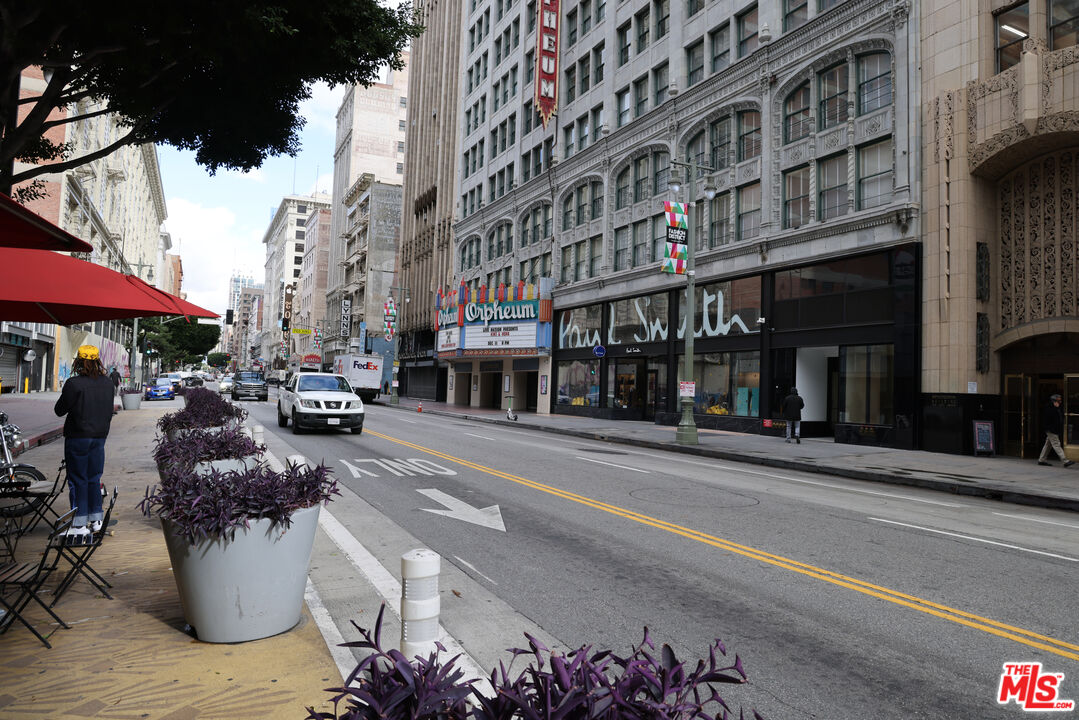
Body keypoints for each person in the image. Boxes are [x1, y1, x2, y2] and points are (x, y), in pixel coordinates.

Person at [54, 345, 114, 543]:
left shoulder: (74, 383)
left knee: (77, 479)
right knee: (94, 478)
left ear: (79, 361)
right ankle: (96, 520)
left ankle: (79, 525)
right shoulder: (107, 383)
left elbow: (59, 410)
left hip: (78, 437)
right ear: (98, 361)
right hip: (99, 437)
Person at [1038, 393, 1075, 467]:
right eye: (1058, 401)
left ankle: (1041, 460)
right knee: (1056, 444)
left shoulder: (1058, 407)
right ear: (1053, 401)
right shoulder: (1048, 408)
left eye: (1060, 401)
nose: (1060, 402)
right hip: (1051, 429)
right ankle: (1065, 461)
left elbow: (1061, 417)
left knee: (1048, 445)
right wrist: (1049, 428)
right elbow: (1046, 420)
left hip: (1055, 429)